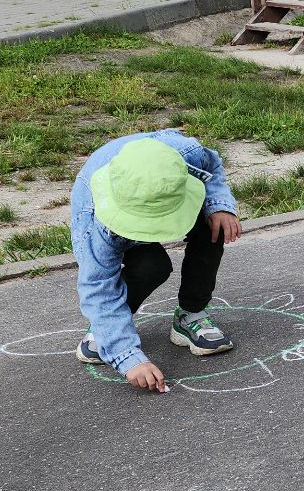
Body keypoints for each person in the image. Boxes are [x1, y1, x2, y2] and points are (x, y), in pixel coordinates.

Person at [71, 130, 243, 391]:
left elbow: (212, 166)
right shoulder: (96, 221)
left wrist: (219, 204)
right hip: (113, 200)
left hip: (163, 187)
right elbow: (97, 288)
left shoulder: (189, 155)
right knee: (153, 266)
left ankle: (191, 314)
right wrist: (127, 357)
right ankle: (105, 331)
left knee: (213, 225)